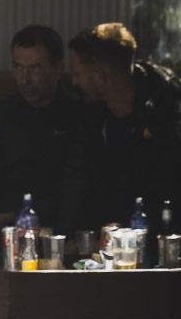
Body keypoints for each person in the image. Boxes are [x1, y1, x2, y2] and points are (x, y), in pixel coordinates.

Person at [0, 25, 97, 239]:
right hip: (5, 234)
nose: (24, 78)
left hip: (59, 233)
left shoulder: (79, 116)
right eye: (18, 67)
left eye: (34, 68)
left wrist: (16, 217)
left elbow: (80, 190)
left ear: (57, 69)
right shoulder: (0, 115)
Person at [67, 22, 181, 229]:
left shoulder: (168, 110)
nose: (73, 82)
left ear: (100, 77)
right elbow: (79, 188)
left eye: (77, 73)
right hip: (102, 251)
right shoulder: (90, 117)